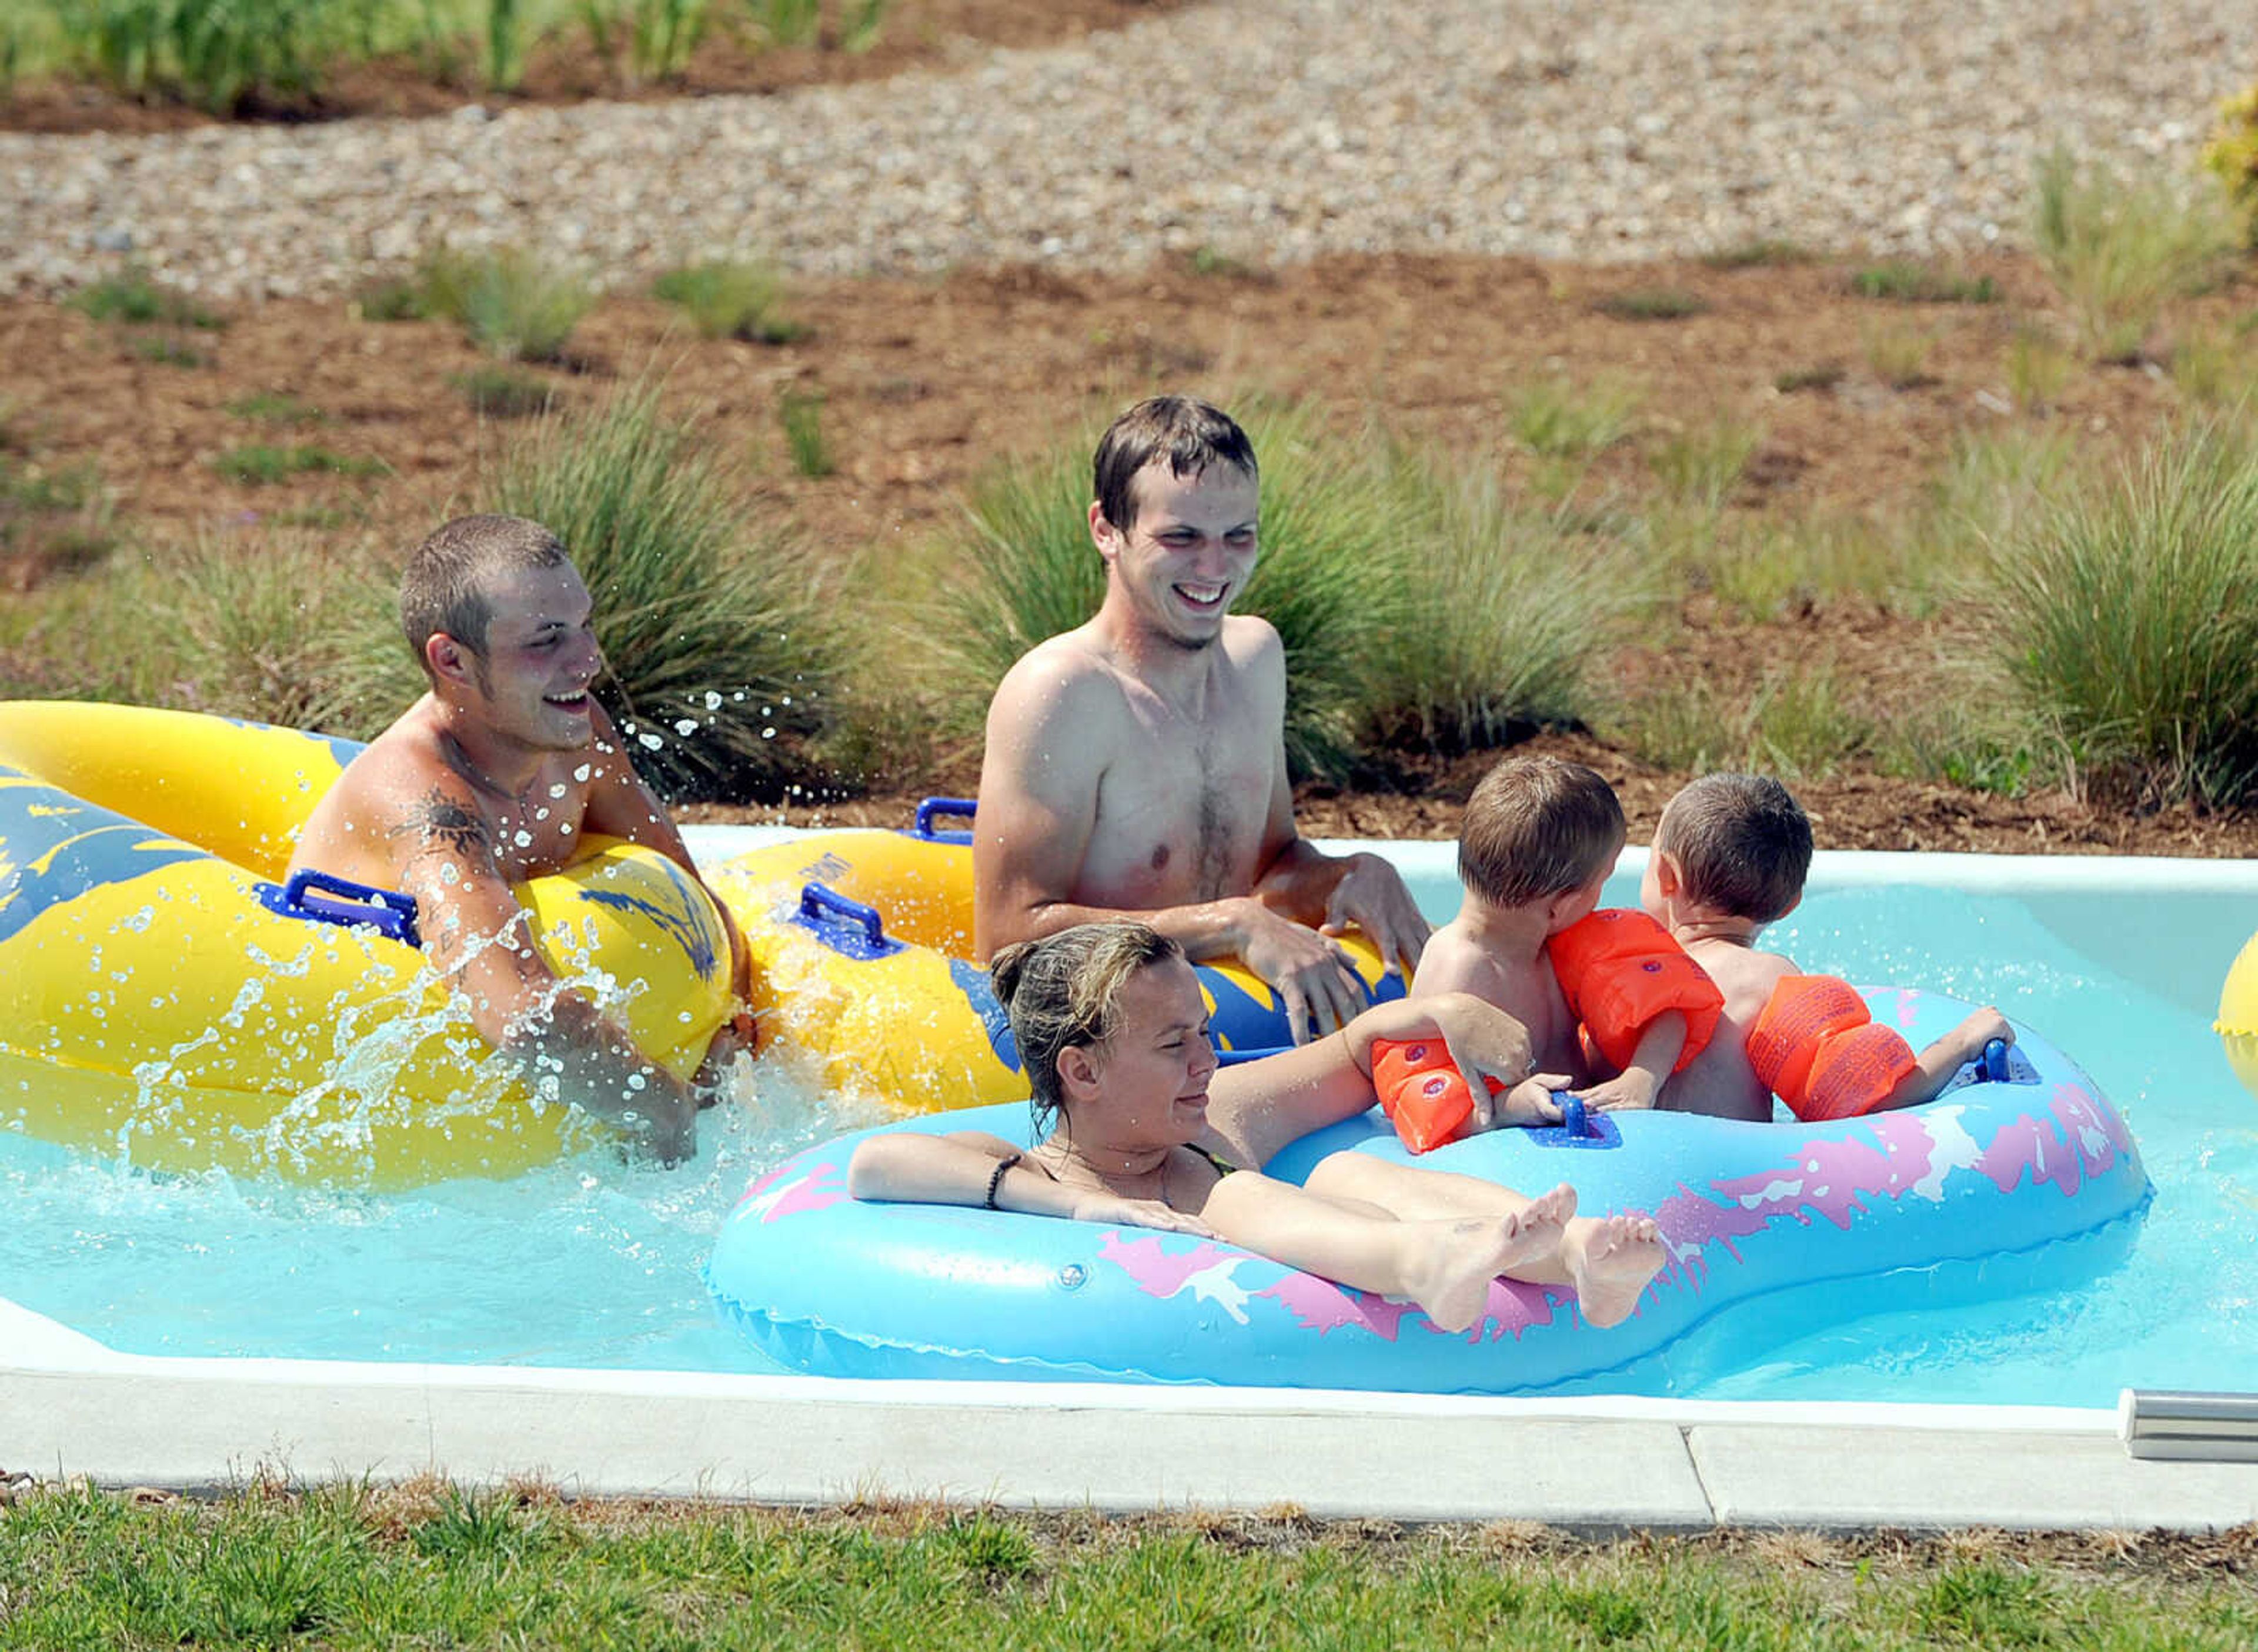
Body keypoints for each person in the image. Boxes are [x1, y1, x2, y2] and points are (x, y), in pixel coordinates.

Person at [847, 921, 1667, 1333]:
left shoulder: (1218, 1120)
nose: (1206, 1060)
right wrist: (1077, 1208)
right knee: (1239, 1200)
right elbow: (877, 1163)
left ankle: (1574, 1254)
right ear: (1082, 1071)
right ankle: (1425, 1260)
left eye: (1205, 1032)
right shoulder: (1041, 1172)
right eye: (1176, 1044)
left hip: (1381, 1231)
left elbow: (1350, 1054)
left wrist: (1434, 1010)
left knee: (1349, 1173)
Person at [288, 513, 754, 1163]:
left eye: (585, 624)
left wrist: (728, 1026)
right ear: (452, 659)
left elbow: (688, 892)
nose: (588, 659)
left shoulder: (573, 729)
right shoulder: (425, 797)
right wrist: (668, 1115)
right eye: (547, 639)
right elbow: (519, 1015)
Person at [971, 396, 1430, 1044]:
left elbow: (1272, 866)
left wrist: (1351, 873)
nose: (1215, 569)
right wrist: (1232, 924)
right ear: (1107, 529)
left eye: (1238, 536)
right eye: (1180, 537)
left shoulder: (1256, 658)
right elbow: (1006, 936)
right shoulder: (1062, 693)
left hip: (1229, 1027)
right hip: (1104, 1047)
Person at [1638, 773, 2012, 1122]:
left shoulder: (1627, 970)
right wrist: (1961, 1042)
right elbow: (1868, 1105)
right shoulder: (1766, 980)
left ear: (1665, 876)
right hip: (1723, 1184)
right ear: (1791, 905)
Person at [1408, 754, 1714, 1119]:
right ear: (1562, 906)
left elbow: (1668, 1014)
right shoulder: (1460, 969)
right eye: (1602, 882)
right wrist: (1510, 1109)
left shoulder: (1567, 942)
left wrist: (1641, 1077)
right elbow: (1426, 1101)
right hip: (1504, 1153)